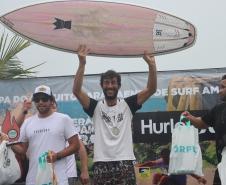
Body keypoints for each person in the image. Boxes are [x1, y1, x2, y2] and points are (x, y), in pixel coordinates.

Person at [72, 45, 157, 184]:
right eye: (106, 82)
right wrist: (82, 64)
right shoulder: (95, 107)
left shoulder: (128, 105)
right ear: (101, 85)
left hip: (125, 162)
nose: (110, 86)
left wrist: (152, 65)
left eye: (113, 82)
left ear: (118, 86)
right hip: (101, 163)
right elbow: (76, 91)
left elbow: (151, 89)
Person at [11, 85, 80, 185]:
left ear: (51, 100)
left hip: (57, 180)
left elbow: (75, 146)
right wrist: (9, 143)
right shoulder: (28, 122)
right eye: (37, 100)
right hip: (33, 180)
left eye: (44, 99)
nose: (40, 102)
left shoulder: (63, 119)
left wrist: (57, 156)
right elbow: (22, 151)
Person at [183, 74, 226, 185]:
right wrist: (190, 117)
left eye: (223, 87)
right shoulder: (218, 109)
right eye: (220, 87)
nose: (219, 91)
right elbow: (202, 123)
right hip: (223, 158)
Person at [136, 148, 207, 185]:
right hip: (171, 181)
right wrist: (139, 166)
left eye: (167, 158)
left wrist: (199, 178)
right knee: (156, 175)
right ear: (162, 157)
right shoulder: (163, 160)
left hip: (180, 183)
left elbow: (189, 171)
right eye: (164, 158)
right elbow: (151, 163)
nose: (165, 160)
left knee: (164, 178)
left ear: (170, 156)